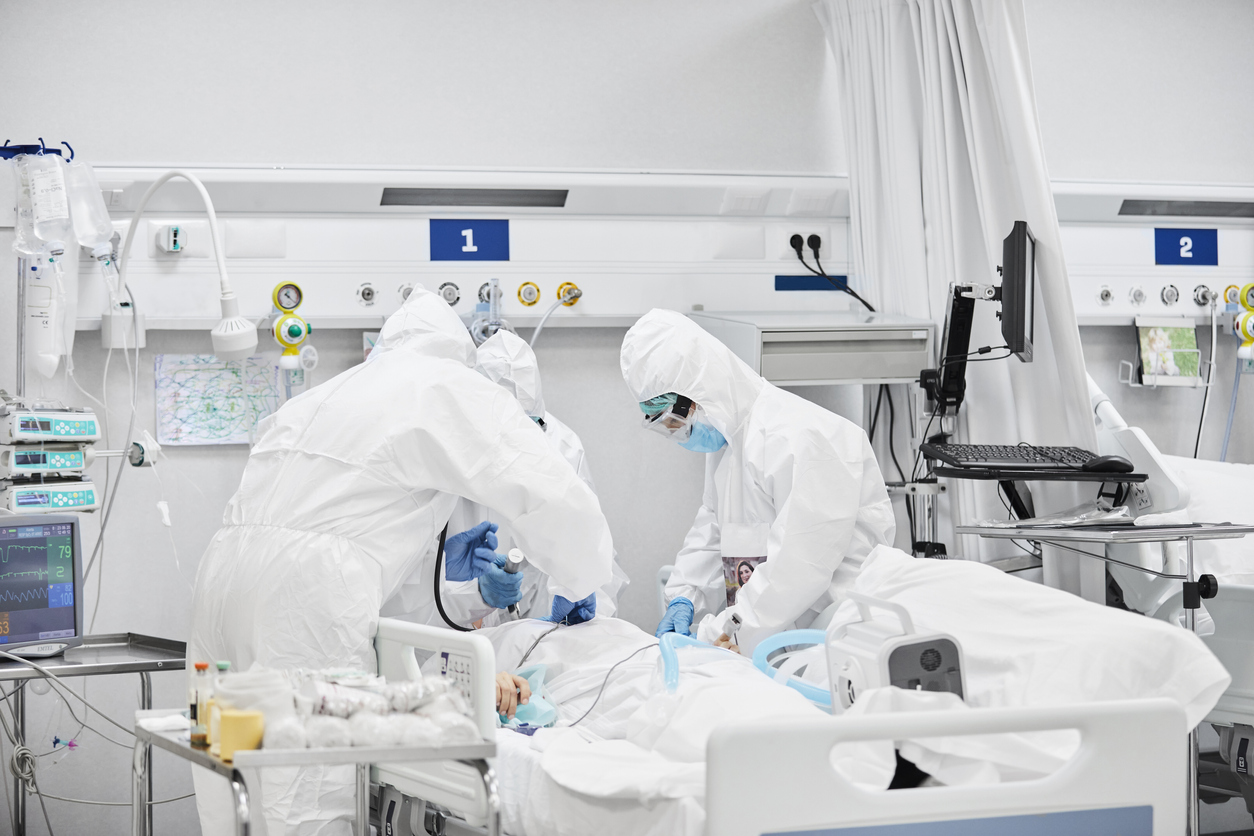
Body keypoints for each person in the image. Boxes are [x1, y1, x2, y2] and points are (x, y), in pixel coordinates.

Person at [189, 287, 614, 836]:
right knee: (307, 790)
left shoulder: (324, 395)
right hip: (300, 601)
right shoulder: (443, 383)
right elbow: (554, 495)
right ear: (460, 355)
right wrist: (582, 578)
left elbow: (343, 523)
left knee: (230, 770)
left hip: (220, 580)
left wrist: (436, 567)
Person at [622, 308, 895, 653]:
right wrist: (684, 595)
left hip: (837, 638)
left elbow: (798, 568)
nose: (680, 434)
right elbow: (714, 531)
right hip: (779, 641)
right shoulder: (730, 444)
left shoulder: (803, 437)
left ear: (702, 390)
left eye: (675, 420)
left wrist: (721, 631)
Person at [385, 330, 628, 627]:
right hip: (451, 629)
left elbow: (591, 542)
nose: (519, 444)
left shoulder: (562, 447)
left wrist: (584, 596)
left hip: (543, 620)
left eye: (528, 429)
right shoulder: (437, 451)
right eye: (508, 432)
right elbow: (403, 588)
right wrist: (472, 594)